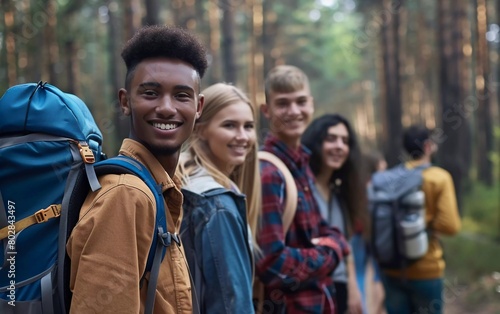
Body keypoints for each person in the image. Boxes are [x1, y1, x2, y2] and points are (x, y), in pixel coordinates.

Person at [66, 25, 208, 313]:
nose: (167, 108)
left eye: (182, 95)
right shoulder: (126, 195)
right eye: (151, 93)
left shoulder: (159, 187)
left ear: (198, 106)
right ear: (125, 101)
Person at [255, 65, 350, 313]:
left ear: (312, 104)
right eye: (283, 103)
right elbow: (272, 264)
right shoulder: (269, 173)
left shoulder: (302, 164)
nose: (294, 111)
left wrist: (332, 242)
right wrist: (332, 252)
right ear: (267, 110)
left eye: (300, 102)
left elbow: (322, 229)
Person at [179, 83, 260, 313]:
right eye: (229, 125)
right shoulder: (217, 205)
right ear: (200, 130)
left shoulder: (185, 182)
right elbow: (231, 303)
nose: (242, 136)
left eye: (249, 126)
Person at [380, 124, 461, 314]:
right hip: (426, 268)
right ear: (427, 146)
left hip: (392, 268)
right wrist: (428, 225)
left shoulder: (392, 177)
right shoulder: (438, 177)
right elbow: (451, 226)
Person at [301, 114, 366, 314]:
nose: (339, 146)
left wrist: (354, 287)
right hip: (309, 289)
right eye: (331, 139)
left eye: (345, 141)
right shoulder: (301, 189)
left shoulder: (340, 193)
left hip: (340, 286)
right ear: (315, 142)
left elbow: (346, 244)